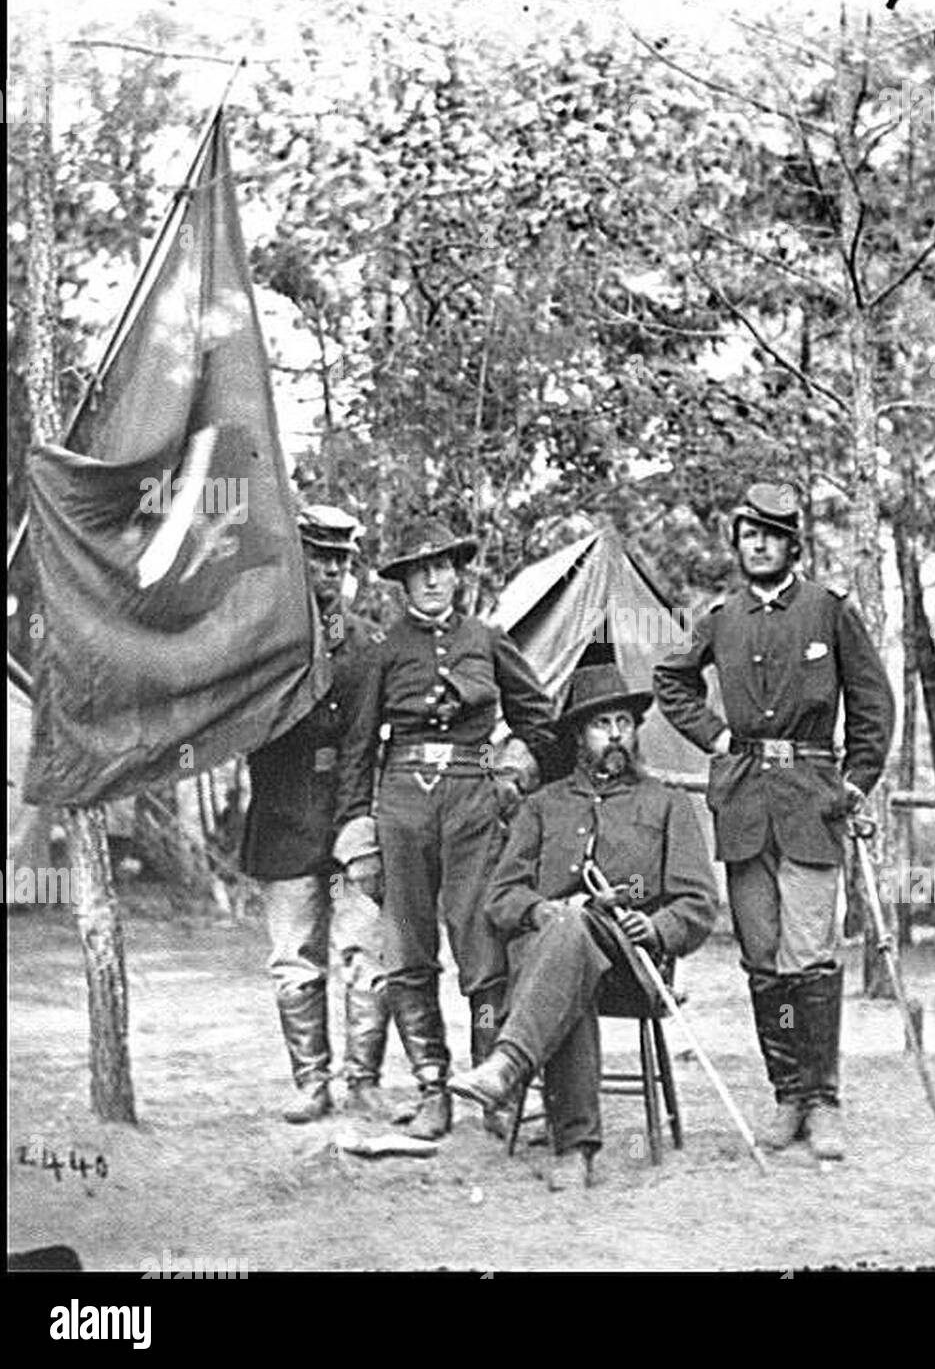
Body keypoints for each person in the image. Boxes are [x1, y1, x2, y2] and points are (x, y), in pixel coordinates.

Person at [654, 483, 895, 1160]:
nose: (756, 544)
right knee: (762, 960)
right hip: (742, 802)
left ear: (793, 543)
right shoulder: (721, 617)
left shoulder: (827, 611)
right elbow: (671, 681)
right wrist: (716, 737)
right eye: (746, 534)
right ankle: (786, 1095)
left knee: (809, 957)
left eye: (769, 533)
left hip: (813, 803)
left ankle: (823, 1102)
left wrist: (856, 780)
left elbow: (874, 702)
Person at [447, 664, 718, 1189]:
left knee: (571, 939)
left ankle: (510, 1069)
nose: (616, 734)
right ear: (577, 736)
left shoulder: (666, 804)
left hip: (631, 962)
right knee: (567, 936)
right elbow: (500, 898)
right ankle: (572, 1148)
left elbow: (700, 902)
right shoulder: (542, 807)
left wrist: (657, 926)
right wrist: (539, 911)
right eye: (602, 725)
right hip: (555, 957)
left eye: (624, 722)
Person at [333, 520, 557, 1141]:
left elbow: (538, 720)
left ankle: (496, 1089)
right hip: (401, 806)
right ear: (403, 580)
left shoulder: (487, 639)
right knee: (406, 953)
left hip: (473, 804)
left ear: (458, 574)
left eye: (444, 567)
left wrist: (511, 774)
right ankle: (433, 1087)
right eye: (420, 569)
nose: (433, 578)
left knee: (484, 952)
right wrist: (357, 837)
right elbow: (356, 750)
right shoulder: (382, 651)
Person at [241, 503, 391, 1123]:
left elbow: (369, 735)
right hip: (284, 815)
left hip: (351, 816)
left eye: (340, 559)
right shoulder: (259, 637)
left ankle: (362, 1081)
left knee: (365, 954)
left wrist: (362, 822)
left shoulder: (368, 643)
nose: (329, 570)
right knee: (295, 957)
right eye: (318, 556)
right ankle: (311, 1082)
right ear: (295, 558)